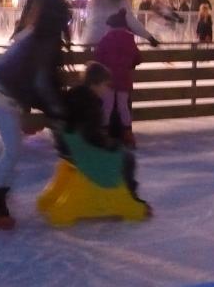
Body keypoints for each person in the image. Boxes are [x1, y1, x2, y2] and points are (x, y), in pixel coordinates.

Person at [0, 0, 68, 230]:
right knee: (13, 150)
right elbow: (40, 82)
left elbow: (29, 72)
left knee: (13, 150)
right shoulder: (42, 41)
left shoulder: (33, 33)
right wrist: (56, 109)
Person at [60, 61, 150, 210]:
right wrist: (111, 144)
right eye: (105, 85)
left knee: (121, 152)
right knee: (127, 158)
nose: (107, 89)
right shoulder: (89, 103)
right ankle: (130, 198)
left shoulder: (75, 95)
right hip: (85, 153)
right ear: (95, 83)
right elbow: (92, 135)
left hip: (71, 149)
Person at [94, 8, 142, 148]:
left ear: (111, 26)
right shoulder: (129, 39)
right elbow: (138, 58)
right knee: (123, 107)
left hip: (108, 79)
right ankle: (128, 135)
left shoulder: (106, 39)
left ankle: (104, 134)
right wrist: (129, 64)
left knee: (107, 107)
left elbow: (98, 56)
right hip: (124, 78)